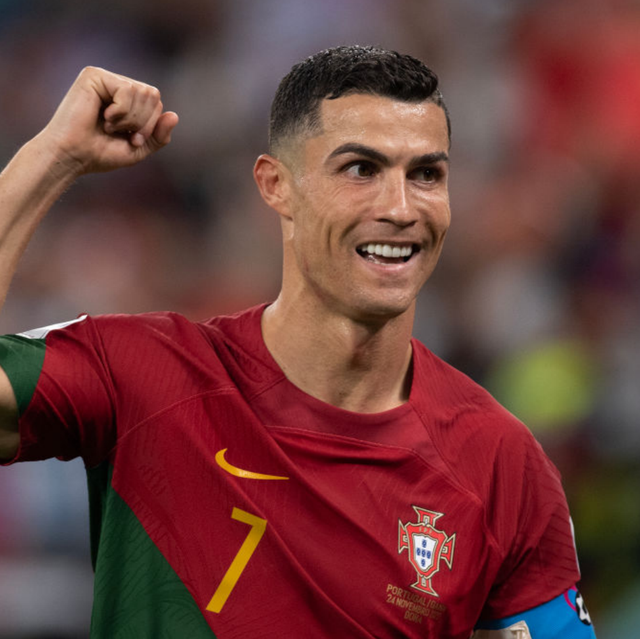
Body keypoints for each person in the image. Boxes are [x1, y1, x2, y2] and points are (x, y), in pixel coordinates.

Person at [0, 46, 596, 638]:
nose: (400, 208)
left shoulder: (500, 462)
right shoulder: (144, 374)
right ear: (276, 185)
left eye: (426, 174)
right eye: (361, 169)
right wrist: (51, 157)